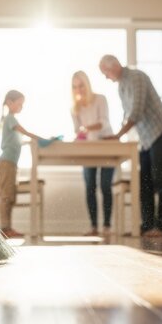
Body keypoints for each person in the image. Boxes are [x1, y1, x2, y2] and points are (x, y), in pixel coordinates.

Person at [99, 55, 162, 238]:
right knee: (144, 182)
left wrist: (118, 135)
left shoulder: (137, 77)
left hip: (160, 131)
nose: (106, 77)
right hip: (145, 139)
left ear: (115, 65)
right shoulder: (121, 86)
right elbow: (126, 113)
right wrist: (117, 134)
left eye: (106, 72)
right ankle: (147, 226)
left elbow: (137, 110)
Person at [71, 71, 115, 239]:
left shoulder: (100, 99)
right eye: (75, 86)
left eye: (81, 85)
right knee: (90, 186)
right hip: (87, 150)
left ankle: (107, 226)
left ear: (87, 84)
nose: (78, 89)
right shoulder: (74, 109)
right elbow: (77, 131)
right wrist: (80, 134)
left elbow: (104, 122)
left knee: (105, 185)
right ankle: (94, 226)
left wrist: (87, 128)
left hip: (106, 146)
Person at [0, 90, 45, 238]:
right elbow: (24, 132)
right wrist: (40, 139)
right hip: (7, 163)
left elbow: (17, 140)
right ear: (10, 103)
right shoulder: (10, 118)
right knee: (7, 195)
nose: (21, 107)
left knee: (10, 195)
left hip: (11, 163)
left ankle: (8, 227)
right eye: (20, 104)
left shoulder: (10, 120)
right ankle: (5, 228)